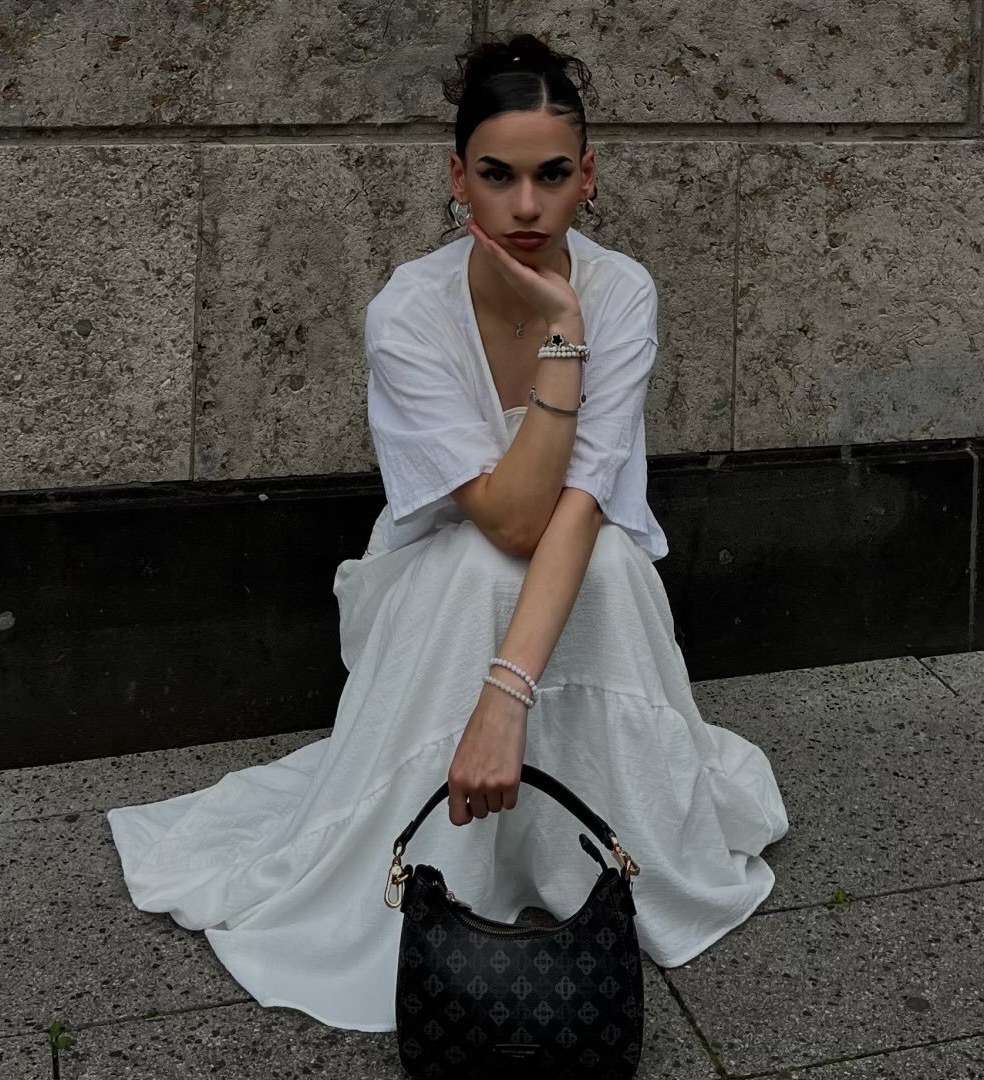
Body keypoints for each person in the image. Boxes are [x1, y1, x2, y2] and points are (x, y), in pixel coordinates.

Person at [106, 31, 788, 1033]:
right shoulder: (410, 312)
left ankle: (588, 846)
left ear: (589, 177)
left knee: (602, 559)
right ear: (457, 178)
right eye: (497, 176)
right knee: (480, 565)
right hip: (437, 579)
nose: (526, 207)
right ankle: (446, 857)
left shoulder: (622, 291)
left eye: (552, 175)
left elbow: (579, 507)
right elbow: (509, 519)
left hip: (580, 569)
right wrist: (563, 345)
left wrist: (504, 695)